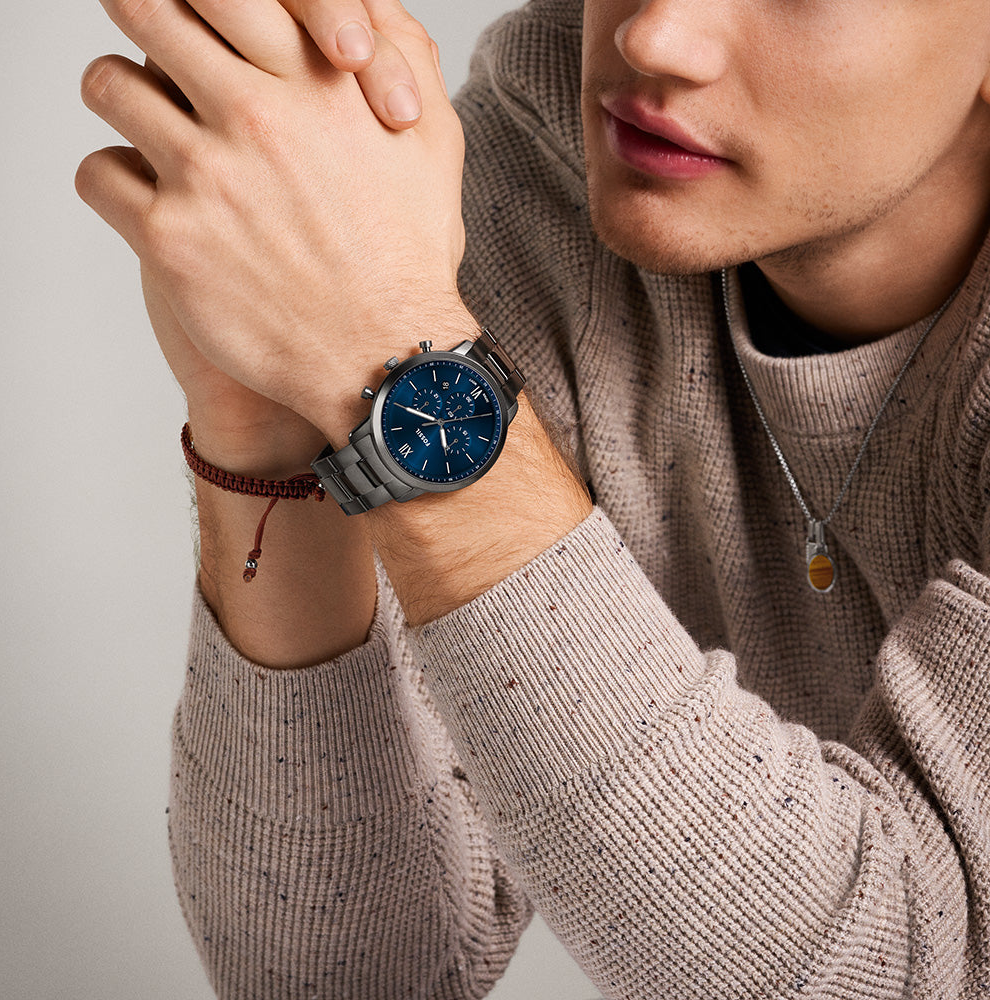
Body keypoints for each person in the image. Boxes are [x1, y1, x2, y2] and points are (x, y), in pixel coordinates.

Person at [76, 0, 990, 996]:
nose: (650, 36)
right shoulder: (558, 158)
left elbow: (893, 974)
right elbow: (350, 975)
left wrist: (387, 346)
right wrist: (270, 422)